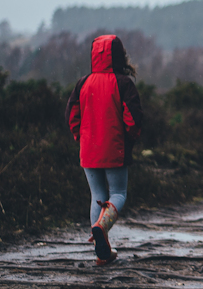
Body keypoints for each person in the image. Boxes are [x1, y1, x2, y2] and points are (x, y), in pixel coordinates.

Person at [65, 35, 143, 265]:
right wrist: (130, 138)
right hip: (115, 147)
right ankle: (102, 228)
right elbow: (133, 119)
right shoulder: (123, 83)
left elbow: (72, 114)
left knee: (96, 196)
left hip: (88, 149)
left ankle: (102, 252)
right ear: (119, 56)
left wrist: (80, 137)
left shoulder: (83, 82)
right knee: (118, 194)